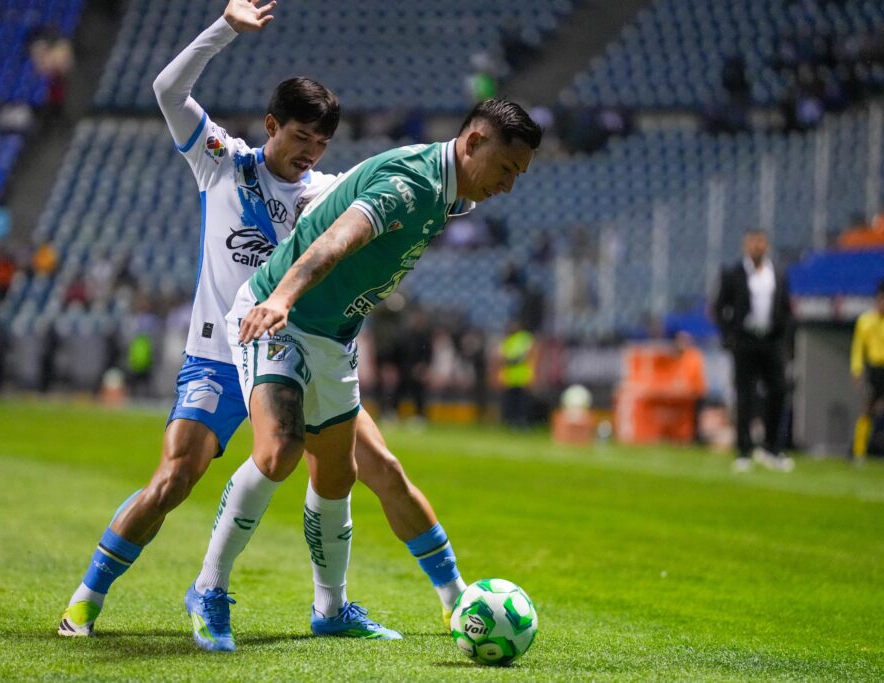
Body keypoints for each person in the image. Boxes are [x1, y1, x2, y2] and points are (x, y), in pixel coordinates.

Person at [59, 0, 468, 649]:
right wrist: (224, 28)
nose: (310, 152)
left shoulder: (324, 193)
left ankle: (431, 601)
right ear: (272, 125)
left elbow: (379, 200)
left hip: (292, 354)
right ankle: (86, 599)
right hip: (219, 359)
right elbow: (167, 90)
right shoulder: (222, 161)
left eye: (321, 143)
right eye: (301, 136)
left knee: (377, 468)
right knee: (173, 480)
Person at [210, 97, 540, 649]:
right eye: (506, 169)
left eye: (517, 176)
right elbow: (339, 238)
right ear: (474, 142)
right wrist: (283, 298)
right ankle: (210, 589)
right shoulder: (413, 184)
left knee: (354, 471)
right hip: (282, 316)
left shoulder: (449, 193)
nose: (507, 185)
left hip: (333, 336)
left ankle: (356, 607)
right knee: (280, 450)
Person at [713, 229, 794, 472]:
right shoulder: (733, 273)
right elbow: (719, 307)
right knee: (745, 396)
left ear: (766, 245)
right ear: (745, 246)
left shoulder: (777, 273)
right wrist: (729, 336)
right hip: (745, 342)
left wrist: (784, 338)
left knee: (778, 392)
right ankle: (744, 451)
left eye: (761, 242)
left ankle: (772, 448)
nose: (757, 246)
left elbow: (786, 308)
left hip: (771, 341)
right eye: (753, 242)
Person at [850, 280, 884, 461]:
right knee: (867, 410)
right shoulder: (865, 321)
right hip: (875, 370)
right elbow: (858, 348)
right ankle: (859, 452)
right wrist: (857, 370)